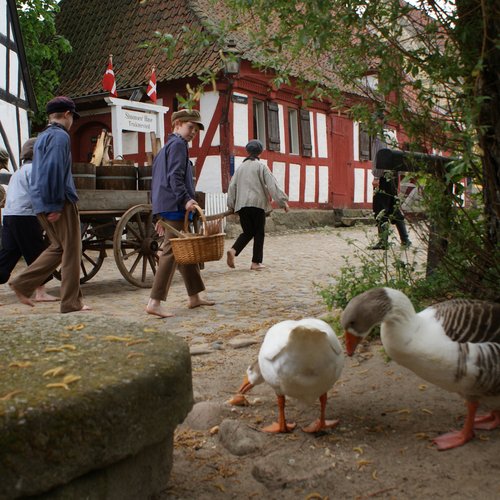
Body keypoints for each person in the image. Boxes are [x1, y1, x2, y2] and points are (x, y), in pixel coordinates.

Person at [9, 96, 91, 313]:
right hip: (60, 202)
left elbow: (39, 173)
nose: (72, 121)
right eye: (72, 116)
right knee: (72, 251)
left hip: (42, 202)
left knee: (58, 247)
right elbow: (53, 170)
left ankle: (22, 283)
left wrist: (44, 204)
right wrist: (54, 204)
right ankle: (71, 302)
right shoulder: (60, 137)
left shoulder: (42, 138)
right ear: (67, 114)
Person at [146, 109, 214, 318]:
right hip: (174, 204)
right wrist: (186, 199)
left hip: (167, 204)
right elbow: (175, 177)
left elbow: (158, 181)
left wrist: (158, 212)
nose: (193, 132)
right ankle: (154, 302)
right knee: (171, 252)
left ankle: (194, 297)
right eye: (190, 127)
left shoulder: (167, 147)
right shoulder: (178, 145)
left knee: (185, 247)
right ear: (177, 125)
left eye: (196, 129)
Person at [0, 139, 58, 302]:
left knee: (9, 253)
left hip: (10, 216)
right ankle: (40, 293)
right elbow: (38, 193)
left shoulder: (19, 171)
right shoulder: (34, 170)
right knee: (37, 253)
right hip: (25, 216)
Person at [226, 139, 289, 270]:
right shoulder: (261, 166)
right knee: (259, 233)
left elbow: (232, 187)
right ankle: (256, 262)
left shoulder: (240, 168)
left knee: (248, 232)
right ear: (260, 152)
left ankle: (233, 250)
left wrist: (231, 205)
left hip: (242, 206)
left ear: (247, 152)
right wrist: (282, 202)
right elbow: (272, 185)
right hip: (257, 204)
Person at [368, 116, 411, 250]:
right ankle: (405, 239)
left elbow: (381, 157)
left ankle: (383, 241)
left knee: (380, 208)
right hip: (392, 175)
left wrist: (376, 176)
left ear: (380, 122)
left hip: (384, 176)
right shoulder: (392, 135)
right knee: (393, 208)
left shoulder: (380, 136)